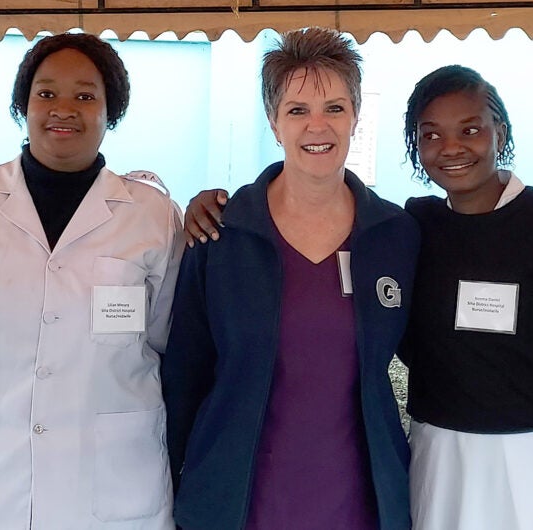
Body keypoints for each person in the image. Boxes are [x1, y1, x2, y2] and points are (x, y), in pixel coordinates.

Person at [185, 64, 533, 530]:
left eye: (470, 129)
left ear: (501, 131)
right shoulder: (415, 228)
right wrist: (205, 204)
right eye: (431, 135)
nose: (451, 147)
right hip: (437, 457)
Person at [0, 33, 183, 530]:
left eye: (86, 95)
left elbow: (176, 357)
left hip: (115, 494)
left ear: (113, 111)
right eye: (46, 93)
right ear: (24, 105)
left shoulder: (153, 216)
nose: (64, 109)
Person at [161, 26, 421, 530]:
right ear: (274, 122)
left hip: (360, 503)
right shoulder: (221, 233)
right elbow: (183, 378)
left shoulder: (395, 235)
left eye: (335, 108)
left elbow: (433, 357)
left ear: (357, 115)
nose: (316, 127)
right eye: (297, 110)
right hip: (240, 502)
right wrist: (170, 486)